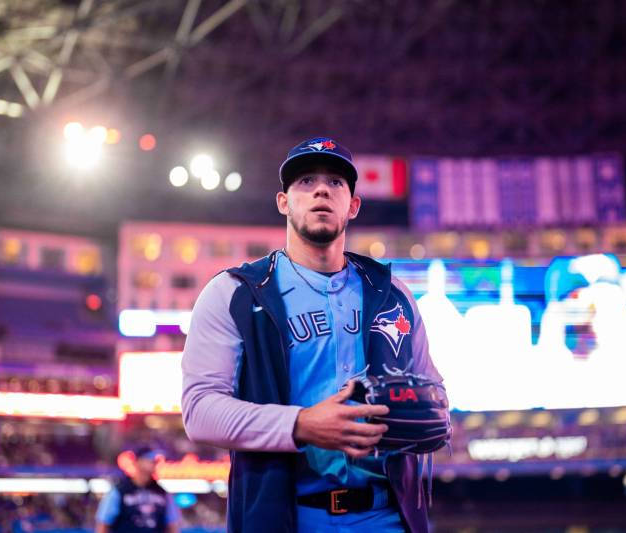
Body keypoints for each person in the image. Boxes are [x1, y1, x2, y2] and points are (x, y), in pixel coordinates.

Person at [181, 137, 446, 533]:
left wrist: (434, 416)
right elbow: (199, 412)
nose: (322, 189)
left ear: (353, 205)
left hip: (388, 517)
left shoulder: (392, 293)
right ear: (283, 202)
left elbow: (434, 392)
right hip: (286, 517)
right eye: (306, 181)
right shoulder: (234, 292)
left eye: (336, 183)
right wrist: (301, 424)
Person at [95, 447, 181, 533]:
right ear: (138, 461)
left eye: (156, 460)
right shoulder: (120, 490)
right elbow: (103, 523)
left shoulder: (162, 492)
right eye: (150, 459)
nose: (154, 463)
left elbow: (172, 524)